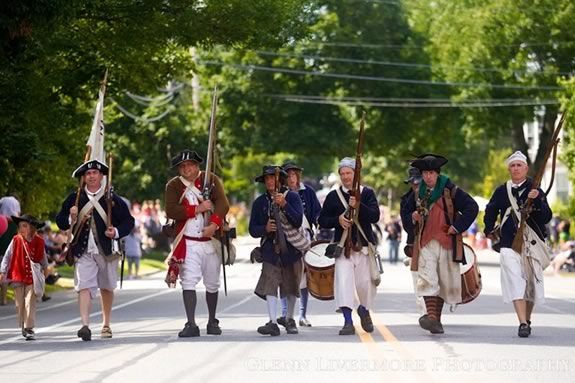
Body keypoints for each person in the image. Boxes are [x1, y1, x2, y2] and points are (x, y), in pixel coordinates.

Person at [56, 159, 135, 341]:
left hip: (106, 250)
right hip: (83, 249)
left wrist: (115, 231)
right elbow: (60, 221)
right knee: (84, 286)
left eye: (95, 173)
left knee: (106, 287)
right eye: (88, 173)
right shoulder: (74, 198)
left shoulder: (112, 198)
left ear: (101, 176)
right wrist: (71, 216)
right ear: (83, 178)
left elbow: (128, 222)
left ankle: (106, 324)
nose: (91, 176)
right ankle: (85, 325)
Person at [484, 151, 552, 338]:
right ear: (509, 169)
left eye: (519, 165)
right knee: (515, 282)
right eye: (512, 165)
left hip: (532, 243)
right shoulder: (501, 191)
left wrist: (537, 197)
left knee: (530, 285)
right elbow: (490, 211)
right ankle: (522, 322)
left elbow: (546, 216)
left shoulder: (536, 188)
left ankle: (527, 319)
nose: (515, 168)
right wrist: (489, 229)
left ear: (526, 168)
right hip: (508, 243)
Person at [408, 154, 478, 334]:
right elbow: (407, 212)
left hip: (447, 242)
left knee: (442, 281)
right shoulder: (417, 191)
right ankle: (432, 318)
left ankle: (435, 321)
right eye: (425, 173)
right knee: (428, 278)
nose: (428, 177)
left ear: (437, 173)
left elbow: (472, 207)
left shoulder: (450, 189)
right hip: (425, 242)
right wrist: (413, 217)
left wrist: (457, 227)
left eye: (431, 173)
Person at [164, 149, 230, 338]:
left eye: (190, 165)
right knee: (188, 281)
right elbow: (171, 210)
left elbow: (222, 204)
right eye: (183, 166)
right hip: (188, 242)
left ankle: (212, 320)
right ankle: (191, 323)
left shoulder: (211, 179)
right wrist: (198, 208)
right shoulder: (173, 186)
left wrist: (214, 224)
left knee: (212, 283)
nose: (187, 169)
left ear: (197, 165)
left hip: (210, 240)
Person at [318, 157, 380, 336]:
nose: (345, 177)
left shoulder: (366, 193)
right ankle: (347, 321)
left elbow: (374, 216)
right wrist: (337, 220)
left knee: (365, 285)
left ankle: (364, 310)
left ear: (356, 174)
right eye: (343, 173)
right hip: (343, 247)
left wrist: (358, 205)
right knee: (344, 284)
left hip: (363, 248)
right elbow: (322, 220)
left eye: (349, 173)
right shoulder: (333, 196)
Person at [249, 165, 305, 336]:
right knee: (270, 285)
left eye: (273, 178)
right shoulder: (260, 203)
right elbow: (252, 229)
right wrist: (265, 228)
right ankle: (272, 321)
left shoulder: (293, 197)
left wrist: (285, 204)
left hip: (291, 249)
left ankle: (289, 318)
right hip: (270, 250)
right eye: (267, 179)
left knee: (291, 285)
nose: (270, 181)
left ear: (280, 179)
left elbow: (297, 221)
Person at [277, 160, 322, 328]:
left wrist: (318, 222)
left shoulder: (308, 192)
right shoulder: (281, 193)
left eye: (294, 174)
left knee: (304, 277)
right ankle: (284, 313)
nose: (291, 178)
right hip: (286, 238)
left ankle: (302, 314)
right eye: (288, 175)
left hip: (305, 237)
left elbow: (317, 212)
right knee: (285, 276)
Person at [0, 214, 48, 340]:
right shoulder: (15, 240)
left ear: (32, 228)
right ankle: (23, 325)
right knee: (19, 304)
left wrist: (45, 269)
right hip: (17, 276)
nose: (22, 229)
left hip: (32, 277)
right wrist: (2, 271)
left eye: (25, 226)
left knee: (29, 301)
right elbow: (7, 256)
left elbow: (43, 258)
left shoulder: (39, 242)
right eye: (20, 226)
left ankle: (29, 327)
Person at [399, 166, 426, 317]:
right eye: (413, 183)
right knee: (417, 278)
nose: (416, 186)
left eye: (418, 183)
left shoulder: (434, 195)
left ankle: (434, 311)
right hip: (415, 242)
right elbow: (406, 225)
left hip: (434, 240)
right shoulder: (406, 200)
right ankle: (424, 312)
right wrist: (412, 218)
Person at [0, 196, 21, 305]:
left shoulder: (1, 220)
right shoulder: (16, 223)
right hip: (8, 252)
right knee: (4, 274)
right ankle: (3, 299)